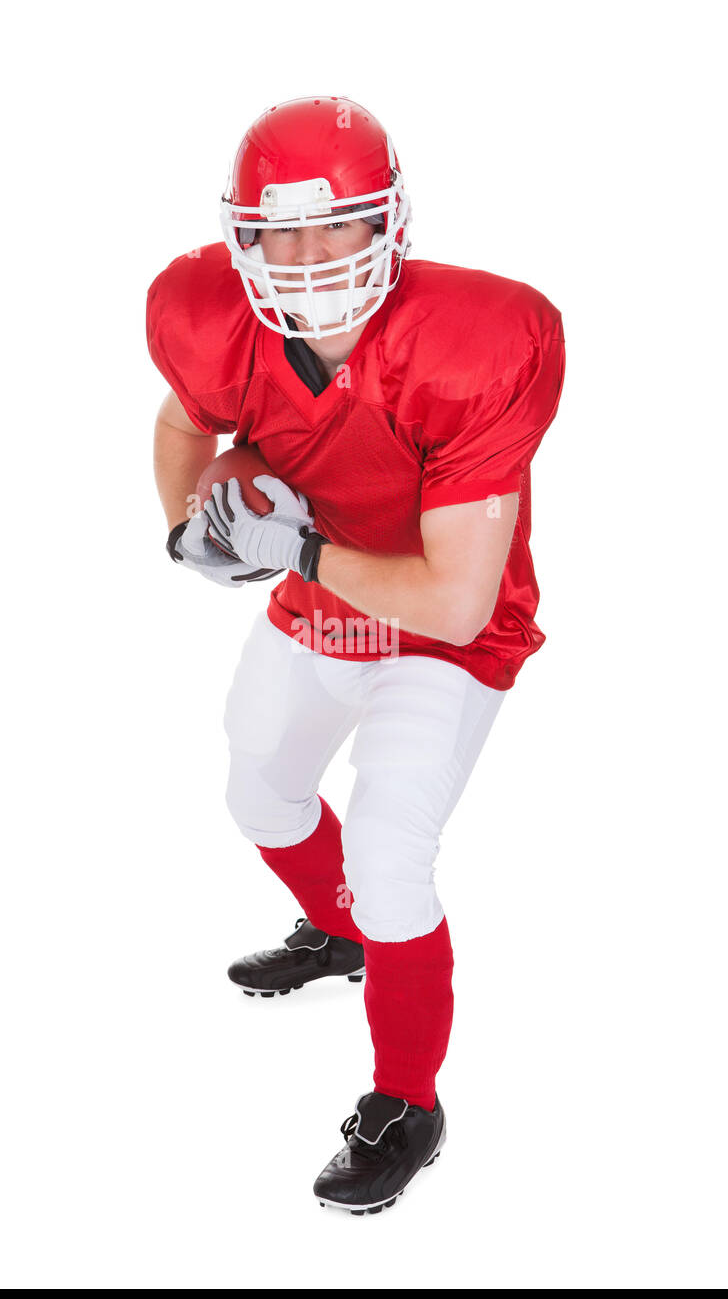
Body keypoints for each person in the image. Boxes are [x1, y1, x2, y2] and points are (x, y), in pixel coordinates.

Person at [147, 96, 566, 1215]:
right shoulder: (204, 314)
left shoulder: (477, 341)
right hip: (322, 592)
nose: (307, 254)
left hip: (451, 633)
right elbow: (187, 425)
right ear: (241, 235)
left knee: (388, 848)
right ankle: (335, 933)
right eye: (279, 230)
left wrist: (296, 546)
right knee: (257, 785)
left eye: (337, 224)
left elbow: (451, 593)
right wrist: (198, 525)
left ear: (391, 223)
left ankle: (406, 1101)